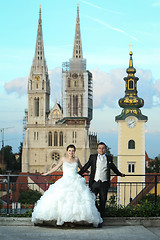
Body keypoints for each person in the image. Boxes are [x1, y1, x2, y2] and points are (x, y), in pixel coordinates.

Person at [32, 144, 103, 227]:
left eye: (72, 151)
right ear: (67, 151)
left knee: (73, 202)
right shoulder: (63, 159)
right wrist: (47, 173)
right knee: (63, 202)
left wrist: (88, 172)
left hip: (75, 181)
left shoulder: (76, 159)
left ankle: (70, 221)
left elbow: (82, 168)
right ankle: (64, 220)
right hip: (65, 181)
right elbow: (56, 168)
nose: (71, 152)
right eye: (69, 150)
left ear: (74, 151)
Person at [78, 142, 125, 221]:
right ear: (97, 149)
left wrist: (120, 174)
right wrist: (79, 174)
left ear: (105, 150)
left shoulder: (109, 158)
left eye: (103, 148)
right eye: (99, 148)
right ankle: (95, 216)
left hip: (104, 183)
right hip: (94, 183)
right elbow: (86, 166)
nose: (101, 150)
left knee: (103, 201)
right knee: (92, 200)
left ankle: (101, 219)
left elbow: (113, 168)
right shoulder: (93, 157)